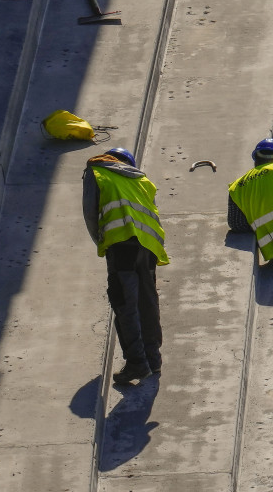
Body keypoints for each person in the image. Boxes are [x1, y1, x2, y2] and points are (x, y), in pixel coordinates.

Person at [82, 148, 169, 384]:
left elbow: (91, 212)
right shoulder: (142, 180)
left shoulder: (98, 170)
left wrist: (103, 242)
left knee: (125, 304)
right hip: (149, 246)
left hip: (121, 247)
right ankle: (153, 359)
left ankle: (137, 364)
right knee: (147, 302)